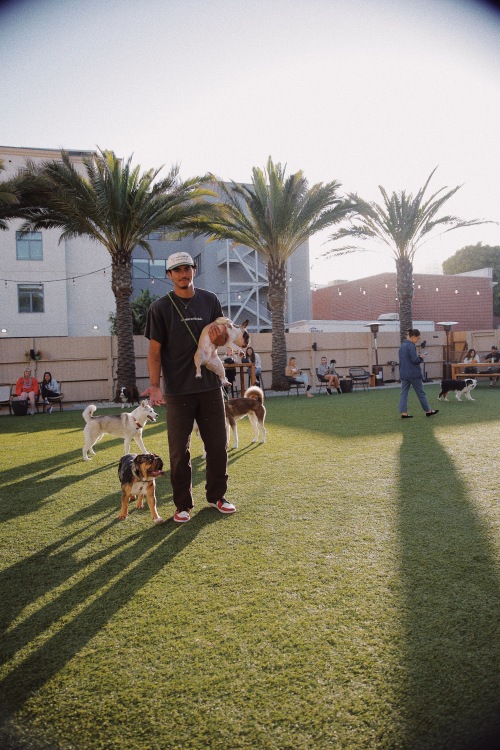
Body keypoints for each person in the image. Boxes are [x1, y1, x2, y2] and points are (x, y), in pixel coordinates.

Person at [143, 251, 236, 523]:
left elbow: (219, 338)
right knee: (178, 450)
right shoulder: (159, 308)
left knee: (218, 445)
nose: (184, 273)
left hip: (209, 387)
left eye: (188, 268)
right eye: (177, 270)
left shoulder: (210, 300)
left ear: (194, 270)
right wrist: (154, 386)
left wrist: (221, 339)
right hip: (178, 390)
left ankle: (218, 496)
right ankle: (182, 504)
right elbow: (154, 352)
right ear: (169, 275)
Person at [398, 329, 438, 419]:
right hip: (413, 374)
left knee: (404, 394)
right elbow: (414, 360)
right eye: (418, 338)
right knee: (421, 393)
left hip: (403, 374)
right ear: (413, 337)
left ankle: (404, 413)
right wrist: (421, 357)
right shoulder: (411, 346)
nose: (418, 340)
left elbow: (403, 361)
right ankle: (428, 411)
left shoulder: (402, 346)